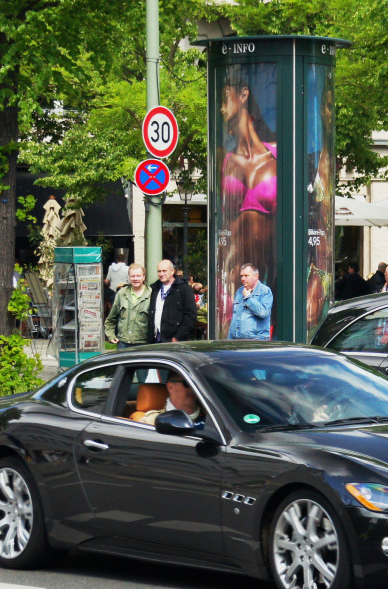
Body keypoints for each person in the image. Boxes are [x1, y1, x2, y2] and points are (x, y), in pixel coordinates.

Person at [217, 66, 277, 336]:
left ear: (243, 95)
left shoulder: (278, 154)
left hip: (270, 271)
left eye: (224, 98)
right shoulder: (225, 159)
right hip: (232, 275)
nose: (220, 109)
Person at [148, 259, 197, 343]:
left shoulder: (184, 289)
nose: (161, 274)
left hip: (174, 341)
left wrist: (177, 337)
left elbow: (190, 315)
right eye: (159, 271)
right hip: (156, 339)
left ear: (172, 271)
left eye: (164, 271)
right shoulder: (154, 288)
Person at [104, 263, 150, 349]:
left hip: (144, 344)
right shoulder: (121, 294)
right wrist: (111, 335)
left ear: (144, 277)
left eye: (138, 276)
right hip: (123, 343)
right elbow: (111, 318)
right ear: (129, 277)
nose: (135, 279)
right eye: (132, 276)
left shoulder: (151, 294)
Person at [136, 372, 206, 427]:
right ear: (170, 387)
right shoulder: (150, 422)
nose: (193, 388)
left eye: (196, 384)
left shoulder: (212, 417)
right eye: (187, 383)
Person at [227, 263, 273, 340]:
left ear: (256, 276)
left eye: (246, 276)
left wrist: (248, 298)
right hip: (237, 341)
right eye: (241, 276)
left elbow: (263, 312)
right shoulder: (240, 291)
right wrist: (229, 342)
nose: (242, 279)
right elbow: (234, 318)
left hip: (256, 343)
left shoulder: (265, 291)